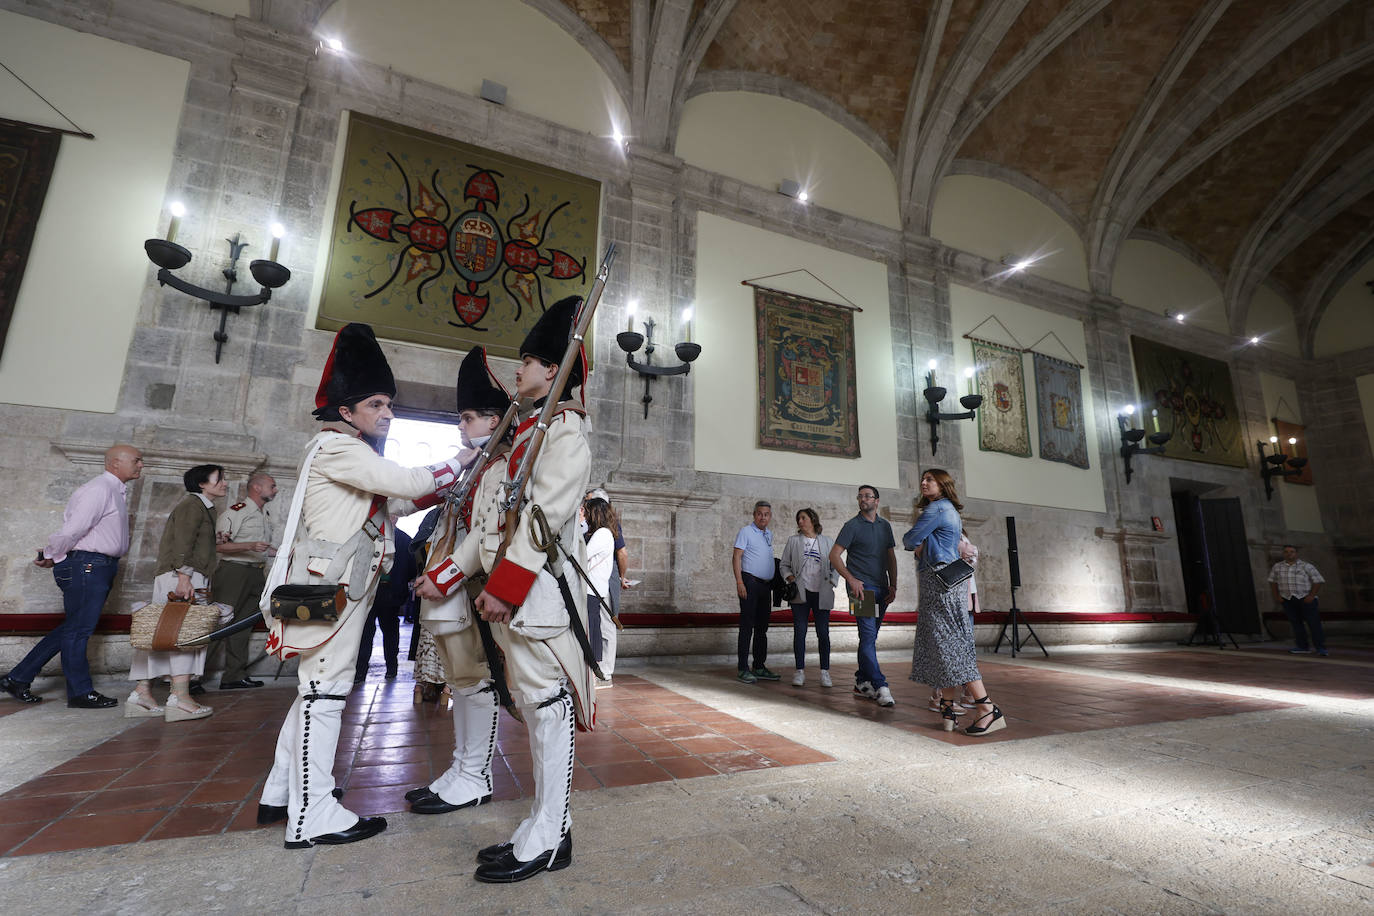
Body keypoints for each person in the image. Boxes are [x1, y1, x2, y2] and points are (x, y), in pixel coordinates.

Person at [255, 323, 466, 850]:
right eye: (376, 404)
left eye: (388, 404)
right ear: (346, 411)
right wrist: (462, 460)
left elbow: (386, 505)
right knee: (324, 694)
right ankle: (313, 813)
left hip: (335, 588)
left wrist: (429, 492)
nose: (387, 414)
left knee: (312, 695)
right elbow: (406, 483)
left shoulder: (345, 452)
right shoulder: (338, 447)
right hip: (332, 591)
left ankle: (282, 793)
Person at [418, 296, 595, 883]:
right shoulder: (517, 441)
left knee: (548, 710)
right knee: (534, 706)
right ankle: (543, 827)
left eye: (527, 362)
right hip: (508, 593)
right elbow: (487, 528)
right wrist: (445, 575)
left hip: (536, 594)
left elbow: (545, 516)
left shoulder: (562, 434)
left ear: (554, 370)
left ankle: (551, 833)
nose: (516, 371)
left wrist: (506, 585)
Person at [406, 345, 514, 811]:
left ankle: (476, 775)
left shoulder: (503, 464)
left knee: (477, 679)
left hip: (479, 583)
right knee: (463, 680)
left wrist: (446, 577)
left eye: (469, 416)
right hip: (458, 583)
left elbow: (485, 534)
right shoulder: (473, 465)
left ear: (494, 421)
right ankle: (463, 768)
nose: (461, 424)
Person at [1, 444, 144, 708]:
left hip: (98, 565)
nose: (140, 465)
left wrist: (54, 556)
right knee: (78, 631)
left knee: (73, 628)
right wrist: (53, 555)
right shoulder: (99, 489)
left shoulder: (113, 490)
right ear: (115, 463)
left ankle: (17, 677)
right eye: (136, 460)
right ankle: (80, 692)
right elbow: (73, 530)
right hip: (89, 565)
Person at [126, 464, 233, 722]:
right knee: (184, 635)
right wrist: (184, 577)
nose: (224, 484)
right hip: (183, 576)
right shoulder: (192, 506)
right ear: (202, 484)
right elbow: (183, 543)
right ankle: (181, 698)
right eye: (219, 479)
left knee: (161, 634)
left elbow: (189, 541)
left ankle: (141, 693)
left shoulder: (200, 507)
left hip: (183, 574)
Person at [904, 469, 1005, 737]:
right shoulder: (949, 509)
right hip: (946, 581)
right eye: (923, 479)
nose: (924, 483)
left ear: (943, 485)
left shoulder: (936, 509)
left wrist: (920, 543)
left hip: (938, 582)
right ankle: (948, 706)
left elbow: (909, 539)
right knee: (944, 644)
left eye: (930, 480)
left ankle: (986, 707)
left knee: (950, 645)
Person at [829, 485, 898, 707]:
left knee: (870, 637)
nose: (863, 499)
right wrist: (851, 579)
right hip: (861, 590)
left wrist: (893, 585)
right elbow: (834, 555)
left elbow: (891, 558)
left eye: (867, 496)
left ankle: (861, 681)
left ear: (876, 501)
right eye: (860, 496)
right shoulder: (852, 526)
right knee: (868, 636)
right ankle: (880, 685)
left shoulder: (885, 526)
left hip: (882, 588)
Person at [214, 472, 277, 690]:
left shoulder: (264, 514)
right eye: (272, 486)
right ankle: (192, 678)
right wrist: (249, 546)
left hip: (255, 572)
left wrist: (282, 553)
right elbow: (219, 546)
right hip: (234, 572)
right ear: (257, 488)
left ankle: (233, 675)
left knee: (242, 625)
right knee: (219, 622)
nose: (275, 490)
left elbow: (262, 549)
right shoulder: (236, 511)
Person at [779, 508, 838, 688]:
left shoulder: (828, 542)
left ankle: (825, 672)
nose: (800, 521)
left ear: (812, 519)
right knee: (800, 631)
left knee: (823, 633)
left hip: (822, 592)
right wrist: (790, 578)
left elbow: (837, 564)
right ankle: (799, 671)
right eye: (798, 519)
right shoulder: (793, 541)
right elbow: (784, 565)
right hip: (800, 592)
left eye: (803, 518)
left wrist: (832, 582)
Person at [353, 527, 413, 682]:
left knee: (387, 632)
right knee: (367, 632)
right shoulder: (403, 539)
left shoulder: (403, 539)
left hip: (387, 592)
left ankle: (384, 670)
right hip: (372, 592)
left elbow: (412, 567)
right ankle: (366, 671)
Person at [732, 501, 778, 684]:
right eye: (759, 514)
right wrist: (739, 582)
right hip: (749, 582)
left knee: (762, 628)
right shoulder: (746, 532)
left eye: (766, 514)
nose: (763, 517)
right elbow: (736, 557)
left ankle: (759, 666)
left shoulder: (768, 534)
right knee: (747, 626)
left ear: (770, 516)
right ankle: (743, 668)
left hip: (765, 586)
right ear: (754, 515)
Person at [1268, 545, 1327, 656]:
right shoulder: (1277, 567)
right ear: (1283, 554)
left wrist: (1311, 596)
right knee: (1296, 624)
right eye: (1286, 552)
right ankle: (1302, 646)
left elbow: (1318, 581)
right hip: (1288, 599)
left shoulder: (1306, 566)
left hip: (1306, 599)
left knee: (1314, 624)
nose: (1289, 554)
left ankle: (1320, 648)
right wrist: (1277, 596)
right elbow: (1273, 582)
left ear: (1296, 553)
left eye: (1292, 551)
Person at [582, 496, 617, 681]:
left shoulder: (602, 533)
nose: (584, 515)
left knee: (592, 628)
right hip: (594, 588)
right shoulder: (604, 532)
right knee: (593, 627)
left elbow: (583, 556)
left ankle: (593, 671)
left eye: (586, 512)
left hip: (591, 589)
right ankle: (593, 670)